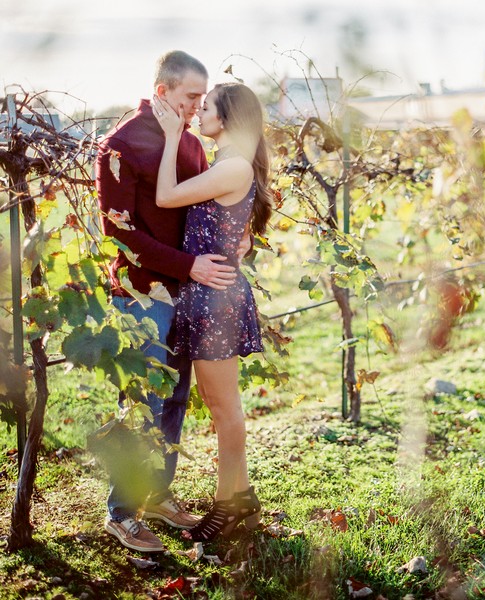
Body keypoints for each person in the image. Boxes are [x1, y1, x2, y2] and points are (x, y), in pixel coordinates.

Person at [96, 51, 242, 553]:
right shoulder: (121, 145)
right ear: (163, 93)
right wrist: (188, 267)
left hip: (186, 291)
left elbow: (201, 210)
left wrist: (235, 242)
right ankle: (121, 511)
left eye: (203, 99)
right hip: (142, 293)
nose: (198, 107)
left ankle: (157, 494)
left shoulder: (188, 144)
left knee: (175, 398)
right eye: (191, 98)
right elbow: (119, 233)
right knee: (142, 400)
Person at [152, 81, 273, 541]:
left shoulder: (234, 165)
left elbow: (166, 197)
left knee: (225, 409)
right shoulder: (228, 163)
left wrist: (167, 139)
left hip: (214, 299)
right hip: (208, 295)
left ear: (226, 119)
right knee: (223, 405)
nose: (199, 114)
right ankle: (240, 497)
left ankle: (227, 506)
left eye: (207, 109)